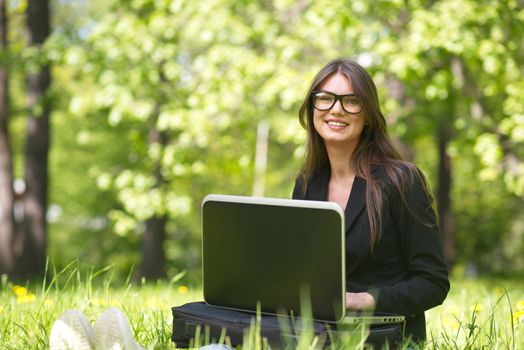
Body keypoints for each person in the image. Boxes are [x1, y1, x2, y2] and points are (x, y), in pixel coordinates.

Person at [291, 58, 450, 343]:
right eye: (325, 98)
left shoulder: (401, 181)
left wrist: (364, 300)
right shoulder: (307, 183)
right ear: (312, 107)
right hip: (318, 335)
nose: (336, 109)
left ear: (368, 115)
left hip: (385, 338)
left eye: (351, 100)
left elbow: (433, 283)